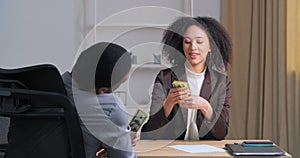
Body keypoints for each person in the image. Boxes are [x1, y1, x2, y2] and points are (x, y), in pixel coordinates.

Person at [141, 16, 232, 140]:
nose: (193, 47)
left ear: (211, 46)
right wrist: (169, 104)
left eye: (199, 42)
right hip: (171, 150)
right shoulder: (165, 78)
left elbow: (221, 133)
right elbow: (150, 132)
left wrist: (205, 107)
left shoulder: (221, 82)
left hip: (206, 150)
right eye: (187, 42)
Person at [62, 42, 138, 158]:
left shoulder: (44, 91)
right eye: (121, 83)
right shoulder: (110, 107)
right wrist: (125, 142)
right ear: (102, 90)